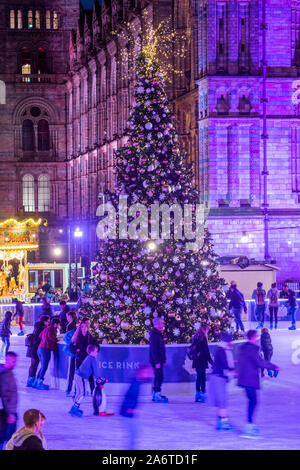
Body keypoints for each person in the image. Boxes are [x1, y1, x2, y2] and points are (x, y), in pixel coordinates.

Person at [237, 329, 279, 438]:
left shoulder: (243, 348)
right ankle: (248, 427)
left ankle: (249, 425)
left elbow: (241, 362)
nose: (257, 339)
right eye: (256, 337)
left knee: (252, 401)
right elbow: (260, 362)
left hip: (244, 379)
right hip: (249, 379)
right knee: (253, 401)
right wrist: (274, 367)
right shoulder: (252, 349)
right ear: (252, 337)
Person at [69, 344, 113, 417]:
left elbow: (92, 371)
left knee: (79, 393)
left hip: (77, 375)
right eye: (96, 351)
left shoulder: (88, 358)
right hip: (81, 377)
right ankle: (75, 408)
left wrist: (98, 378)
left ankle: (74, 408)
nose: (97, 353)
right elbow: (95, 371)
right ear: (92, 352)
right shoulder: (92, 359)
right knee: (82, 394)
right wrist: (99, 379)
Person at [120, 366, 153, 450]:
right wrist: (130, 408)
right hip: (127, 413)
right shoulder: (135, 384)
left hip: (129, 412)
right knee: (134, 433)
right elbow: (129, 396)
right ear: (141, 373)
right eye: (147, 373)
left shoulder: (137, 382)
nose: (149, 375)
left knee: (136, 432)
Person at [208, 332, 236, 431]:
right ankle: (223, 423)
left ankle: (221, 422)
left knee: (222, 401)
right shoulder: (222, 351)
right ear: (227, 342)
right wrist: (233, 371)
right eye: (231, 341)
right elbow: (224, 365)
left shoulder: (223, 350)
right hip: (218, 378)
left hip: (219, 377)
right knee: (222, 400)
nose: (232, 343)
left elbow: (225, 363)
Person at [70, 318, 98, 396]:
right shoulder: (76, 337)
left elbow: (97, 346)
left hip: (88, 360)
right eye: (82, 327)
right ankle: (77, 393)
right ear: (80, 328)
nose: (84, 328)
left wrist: (94, 350)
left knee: (90, 377)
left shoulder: (90, 337)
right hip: (79, 359)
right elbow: (71, 348)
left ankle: (93, 392)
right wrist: (77, 350)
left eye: (86, 327)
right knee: (79, 377)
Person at [33, 317, 60, 390]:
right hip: (45, 349)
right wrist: (57, 340)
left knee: (42, 366)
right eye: (58, 324)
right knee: (44, 366)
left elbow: (40, 336)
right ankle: (40, 383)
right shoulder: (52, 329)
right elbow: (51, 337)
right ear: (55, 324)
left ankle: (36, 382)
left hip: (40, 348)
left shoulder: (46, 328)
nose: (58, 326)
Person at [25, 315, 50, 388]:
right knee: (34, 365)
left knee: (33, 365)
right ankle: (31, 381)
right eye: (48, 321)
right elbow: (41, 338)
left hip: (33, 347)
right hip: (35, 348)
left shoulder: (38, 326)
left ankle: (30, 380)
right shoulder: (42, 328)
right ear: (44, 321)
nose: (49, 322)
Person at [190, 324, 213, 403]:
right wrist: (211, 361)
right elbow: (206, 351)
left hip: (196, 360)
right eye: (207, 330)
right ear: (204, 329)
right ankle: (203, 395)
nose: (207, 331)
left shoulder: (195, 337)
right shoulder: (203, 338)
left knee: (198, 378)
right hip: (202, 360)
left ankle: (197, 395)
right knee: (202, 378)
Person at [0, 352, 18, 450]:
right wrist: (10, 413)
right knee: (5, 436)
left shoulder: (8, 372)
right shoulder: (4, 374)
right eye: (12, 361)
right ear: (6, 360)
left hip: (8, 411)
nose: (14, 363)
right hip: (5, 412)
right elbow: (6, 395)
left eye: (15, 361)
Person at [149, 317, 168, 403]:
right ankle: (157, 394)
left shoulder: (158, 334)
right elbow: (154, 350)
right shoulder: (154, 335)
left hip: (159, 360)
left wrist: (163, 359)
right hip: (156, 361)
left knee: (159, 376)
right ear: (157, 324)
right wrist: (157, 362)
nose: (163, 324)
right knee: (159, 377)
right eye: (162, 323)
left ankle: (156, 393)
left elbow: (161, 348)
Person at [63, 311, 77, 397]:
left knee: (72, 370)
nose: (67, 318)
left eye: (68, 316)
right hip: (71, 350)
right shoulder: (70, 324)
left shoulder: (73, 325)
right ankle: (70, 389)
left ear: (71, 317)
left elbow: (70, 337)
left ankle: (72, 389)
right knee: (72, 370)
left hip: (73, 351)